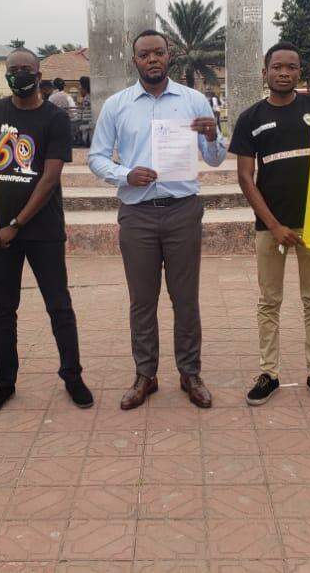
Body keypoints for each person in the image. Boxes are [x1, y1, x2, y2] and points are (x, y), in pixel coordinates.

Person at [89, 29, 226, 410]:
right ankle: (145, 374)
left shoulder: (193, 100)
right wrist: (124, 174)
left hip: (183, 210)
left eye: (159, 52)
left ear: (169, 57)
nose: (152, 59)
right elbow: (96, 156)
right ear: (134, 60)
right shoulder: (117, 105)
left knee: (186, 299)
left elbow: (215, 159)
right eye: (145, 54)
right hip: (137, 214)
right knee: (142, 301)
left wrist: (212, 136)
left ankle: (190, 373)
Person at [0, 49, 93, 415]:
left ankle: (72, 376)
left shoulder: (54, 118)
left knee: (59, 306)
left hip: (42, 230)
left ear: (39, 75)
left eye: (26, 69)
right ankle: (3, 383)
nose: (19, 74)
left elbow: (49, 178)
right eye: (13, 69)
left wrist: (16, 224)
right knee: (3, 311)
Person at [228, 42, 310, 407]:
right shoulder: (250, 118)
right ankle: (269, 373)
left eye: (291, 67)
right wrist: (275, 225)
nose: (284, 72)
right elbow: (245, 178)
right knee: (269, 301)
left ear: (300, 72)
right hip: (270, 228)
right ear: (265, 73)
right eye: (277, 67)